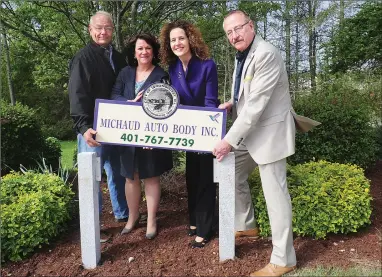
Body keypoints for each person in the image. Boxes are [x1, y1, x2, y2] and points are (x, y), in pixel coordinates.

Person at [213, 10, 318, 277]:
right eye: (229, 32)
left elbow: (257, 105)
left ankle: (284, 259)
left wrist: (227, 140)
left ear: (251, 26)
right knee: (231, 174)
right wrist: (232, 103)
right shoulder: (243, 54)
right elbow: (247, 97)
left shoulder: (266, 53)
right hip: (250, 133)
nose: (234, 35)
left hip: (268, 133)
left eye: (238, 28)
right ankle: (246, 224)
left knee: (276, 197)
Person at [159, 20, 219, 248]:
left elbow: (210, 101)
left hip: (205, 128)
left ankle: (205, 228)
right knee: (192, 176)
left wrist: (202, 127)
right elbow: (172, 100)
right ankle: (194, 220)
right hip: (187, 132)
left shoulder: (207, 65)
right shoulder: (173, 69)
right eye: (173, 40)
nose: (177, 43)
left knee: (205, 179)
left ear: (190, 39)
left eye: (181, 38)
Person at [69, 11, 129, 230]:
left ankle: (122, 214)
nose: (103, 32)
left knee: (117, 172)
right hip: (92, 128)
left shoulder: (120, 58)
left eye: (108, 28)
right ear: (90, 29)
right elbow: (77, 94)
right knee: (91, 179)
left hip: (116, 127)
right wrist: (83, 126)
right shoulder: (83, 58)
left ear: (112, 30)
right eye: (99, 28)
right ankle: (92, 225)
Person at [111, 33, 173, 240]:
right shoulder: (125, 73)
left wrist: (153, 135)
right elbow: (115, 95)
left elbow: (167, 106)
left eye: (147, 48)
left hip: (151, 137)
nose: (144, 52)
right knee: (130, 177)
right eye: (140, 48)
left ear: (153, 51)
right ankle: (133, 217)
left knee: (151, 177)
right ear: (134, 53)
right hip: (128, 134)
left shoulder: (161, 75)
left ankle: (152, 219)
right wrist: (128, 103)